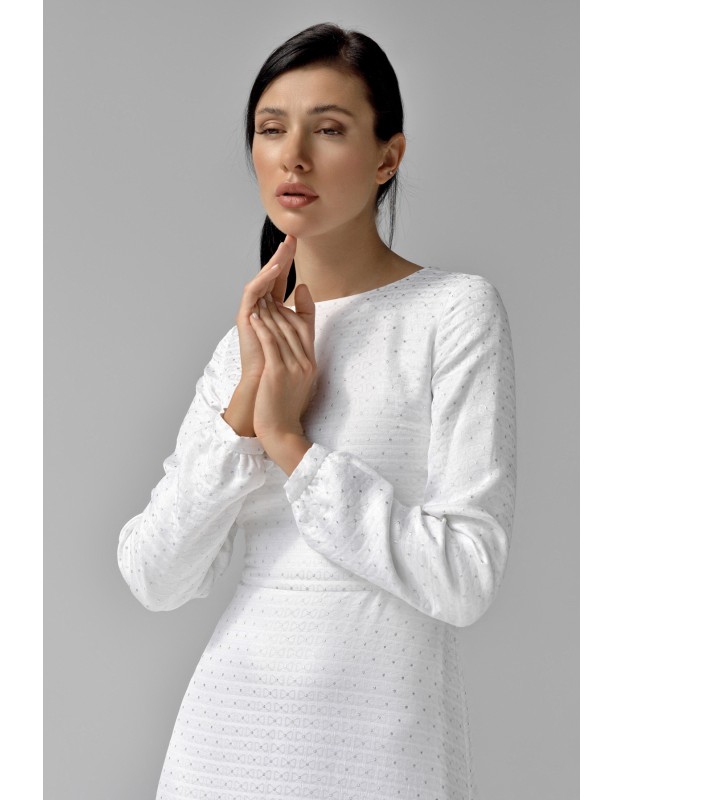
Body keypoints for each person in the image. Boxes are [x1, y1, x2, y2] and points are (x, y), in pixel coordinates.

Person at [117, 21, 516, 800]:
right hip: (224, 745)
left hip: (383, 744)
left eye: (328, 129)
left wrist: (290, 445)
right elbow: (154, 577)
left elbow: (464, 577)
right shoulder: (241, 349)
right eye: (272, 129)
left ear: (388, 157)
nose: (292, 155)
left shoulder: (454, 312)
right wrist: (244, 410)